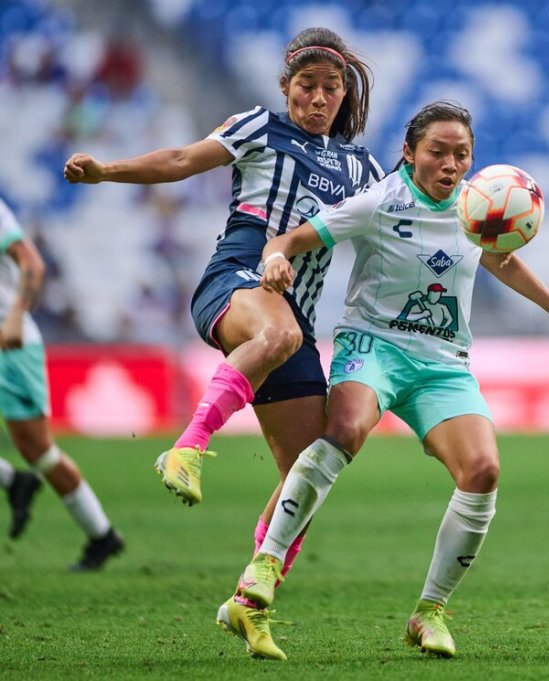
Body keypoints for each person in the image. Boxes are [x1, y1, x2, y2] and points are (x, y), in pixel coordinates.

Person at [217, 101, 549, 660]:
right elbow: (289, 240)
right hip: (373, 347)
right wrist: (274, 259)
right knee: (345, 432)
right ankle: (263, 570)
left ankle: (429, 612)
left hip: (442, 362)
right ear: (410, 152)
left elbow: (499, 258)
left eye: (462, 155)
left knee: (482, 471)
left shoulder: (475, 207)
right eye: (438, 152)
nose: (450, 164)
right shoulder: (378, 202)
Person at [63, 25, 380, 632]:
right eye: (306, 87)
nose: (317, 99)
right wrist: (106, 171)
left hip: (295, 318)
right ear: (285, 87)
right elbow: (182, 158)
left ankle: (248, 601)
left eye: (330, 89)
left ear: (346, 93)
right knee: (280, 335)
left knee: (307, 477)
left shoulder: (362, 168)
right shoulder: (260, 127)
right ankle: (187, 446)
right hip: (234, 281)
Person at [0, 197, 123, 569]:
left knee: (40, 452)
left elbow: (32, 263)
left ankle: (102, 537)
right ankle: (11, 482)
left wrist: (17, 316)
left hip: (10, 343)